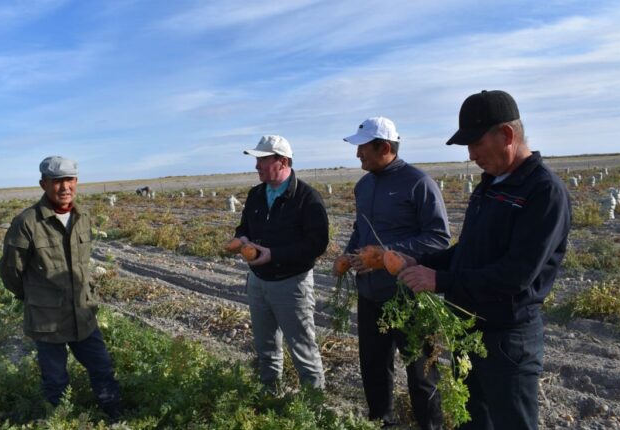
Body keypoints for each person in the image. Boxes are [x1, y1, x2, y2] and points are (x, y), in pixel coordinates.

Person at [399, 90, 571, 429]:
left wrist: (440, 281)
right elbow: (468, 252)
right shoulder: (490, 185)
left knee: (512, 423)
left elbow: (515, 275)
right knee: (472, 420)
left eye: (476, 143)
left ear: (507, 135)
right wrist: (420, 260)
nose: (471, 154)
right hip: (469, 327)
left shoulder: (543, 191)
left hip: (507, 338)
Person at [342, 117, 451, 429]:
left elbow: (438, 237)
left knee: (421, 371)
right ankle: (381, 424)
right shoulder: (363, 186)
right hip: (370, 293)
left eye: (362, 147)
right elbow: (360, 230)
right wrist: (350, 255)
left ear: (384, 147)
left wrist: (386, 254)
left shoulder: (418, 183)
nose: (357, 154)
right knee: (374, 368)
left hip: (408, 296)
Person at [0, 156, 121, 419]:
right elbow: (10, 271)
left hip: (83, 313)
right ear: (44, 184)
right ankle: (61, 422)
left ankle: (114, 415)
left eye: (69, 180)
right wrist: (34, 297)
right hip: (47, 319)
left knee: (102, 367)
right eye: (57, 181)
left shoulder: (82, 217)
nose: (64, 187)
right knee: (55, 380)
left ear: (76, 182)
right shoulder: (27, 222)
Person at [232, 135, 328, 392]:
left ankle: (314, 408)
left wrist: (273, 254)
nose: (256, 167)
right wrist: (241, 239)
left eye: (262, 160)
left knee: (303, 350)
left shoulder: (307, 197)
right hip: (258, 281)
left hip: (291, 284)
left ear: (282, 161)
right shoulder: (256, 194)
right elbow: (244, 226)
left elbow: (317, 245)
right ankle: (270, 395)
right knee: (266, 347)